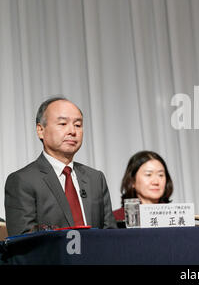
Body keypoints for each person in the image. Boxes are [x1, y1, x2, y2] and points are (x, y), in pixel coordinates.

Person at [4, 97, 117, 236]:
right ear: (40, 130)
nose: (72, 131)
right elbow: (24, 243)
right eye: (63, 123)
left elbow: (110, 235)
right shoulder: (23, 180)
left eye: (78, 125)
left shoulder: (95, 178)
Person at [113, 151, 174, 223]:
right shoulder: (116, 219)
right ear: (132, 181)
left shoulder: (174, 215)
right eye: (148, 175)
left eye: (160, 175)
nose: (156, 182)